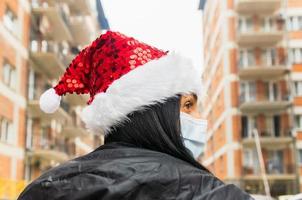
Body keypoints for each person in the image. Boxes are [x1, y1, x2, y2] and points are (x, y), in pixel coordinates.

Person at [18, 31, 253, 200]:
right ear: (153, 113)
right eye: (189, 105)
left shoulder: (43, 189)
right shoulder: (214, 194)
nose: (201, 120)